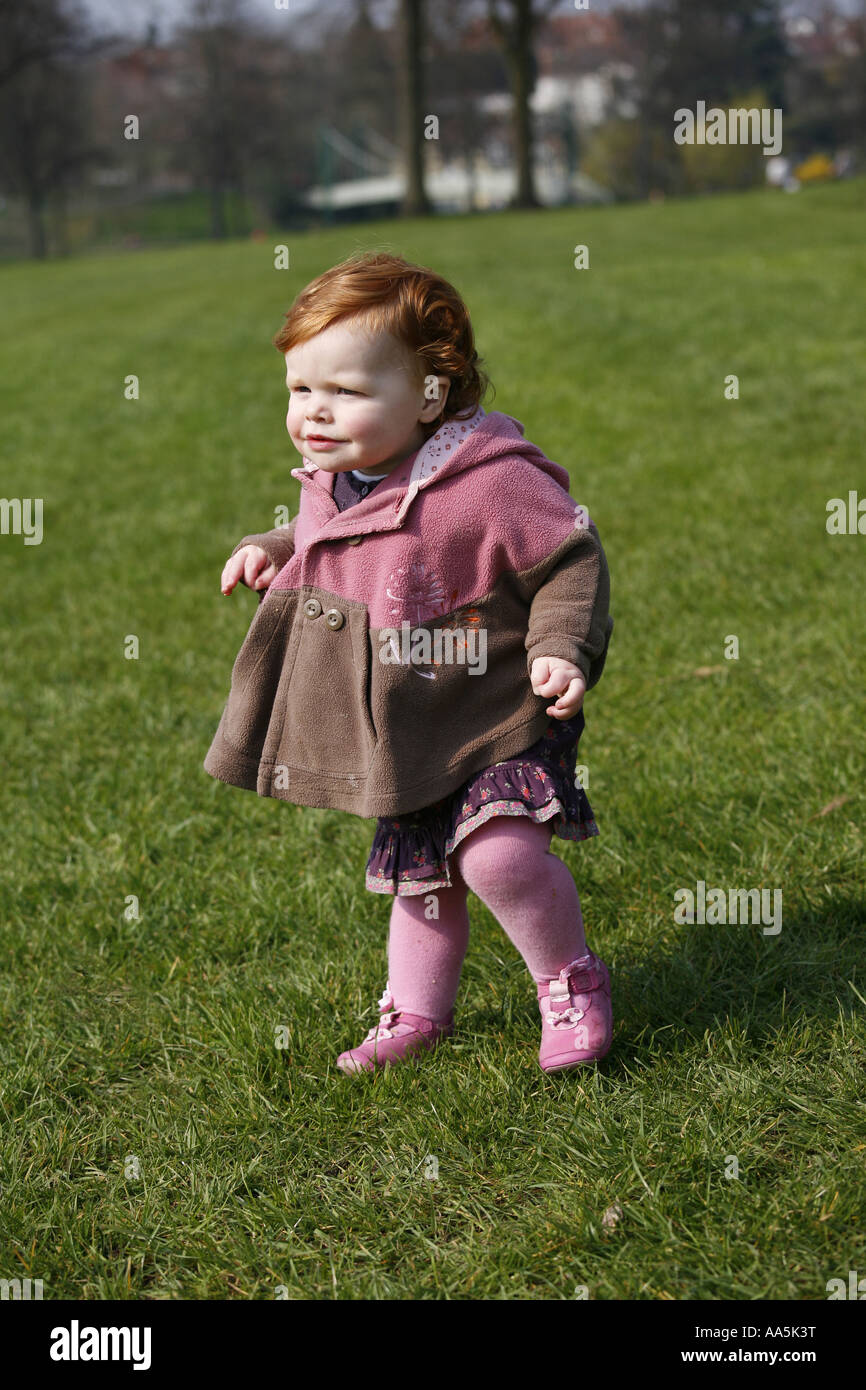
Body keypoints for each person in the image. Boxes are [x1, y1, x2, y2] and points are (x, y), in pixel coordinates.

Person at [204, 251, 614, 1075]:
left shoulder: (488, 484)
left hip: (498, 707)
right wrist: (272, 548)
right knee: (422, 882)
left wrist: (559, 650)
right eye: (300, 390)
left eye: (347, 391)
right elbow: (334, 544)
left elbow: (569, 556)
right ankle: (416, 1013)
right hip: (404, 721)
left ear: (431, 393)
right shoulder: (337, 478)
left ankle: (571, 983)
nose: (315, 413)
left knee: (495, 855)